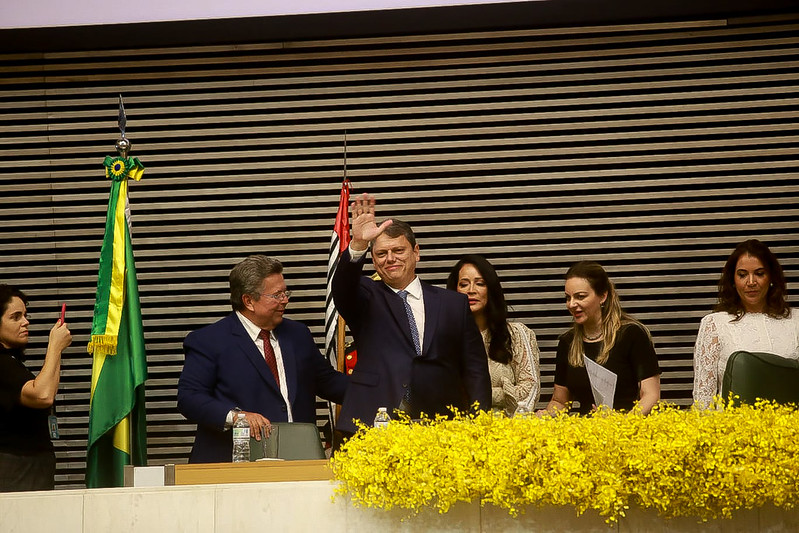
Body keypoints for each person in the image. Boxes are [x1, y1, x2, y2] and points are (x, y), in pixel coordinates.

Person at [332, 193, 490, 434]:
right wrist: (358, 245)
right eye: (382, 254)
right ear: (373, 261)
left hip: (440, 424)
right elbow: (342, 287)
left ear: (416, 252)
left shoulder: (453, 303)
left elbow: (475, 369)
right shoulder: (365, 295)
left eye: (398, 250)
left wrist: (479, 423)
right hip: (372, 422)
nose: (390, 259)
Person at [177, 255, 348, 463]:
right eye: (276, 295)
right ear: (249, 301)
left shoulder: (298, 335)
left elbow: (330, 383)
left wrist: (380, 389)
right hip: (233, 465)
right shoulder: (209, 341)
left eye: (285, 292)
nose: (285, 300)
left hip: (297, 461)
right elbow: (190, 399)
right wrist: (237, 417)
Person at [539, 261, 661, 416]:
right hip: (584, 432)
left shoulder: (631, 334)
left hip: (628, 431)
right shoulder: (567, 342)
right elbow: (560, 401)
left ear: (603, 296)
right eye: (567, 298)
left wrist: (625, 423)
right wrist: (548, 415)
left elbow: (651, 395)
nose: (571, 304)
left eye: (580, 297)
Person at [693, 239, 799, 408]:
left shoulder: (795, 321)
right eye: (742, 275)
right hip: (731, 430)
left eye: (759, 273)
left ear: (771, 277)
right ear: (733, 281)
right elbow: (703, 403)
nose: (751, 282)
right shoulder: (715, 324)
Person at [446, 255, 540, 415]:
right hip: (456, 432)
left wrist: (478, 394)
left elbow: (530, 393)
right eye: (463, 284)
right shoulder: (443, 336)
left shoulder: (517, 334)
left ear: (491, 288)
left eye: (480, 283)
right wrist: (503, 391)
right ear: (454, 291)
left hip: (510, 431)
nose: (471, 290)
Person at [0, 284, 72, 492]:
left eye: (25, 315)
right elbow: (42, 395)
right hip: (16, 470)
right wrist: (54, 346)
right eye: (15, 317)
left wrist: (57, 351)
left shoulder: (11, 361)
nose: (26, 322)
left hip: (30, 468)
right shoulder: (2, 364)